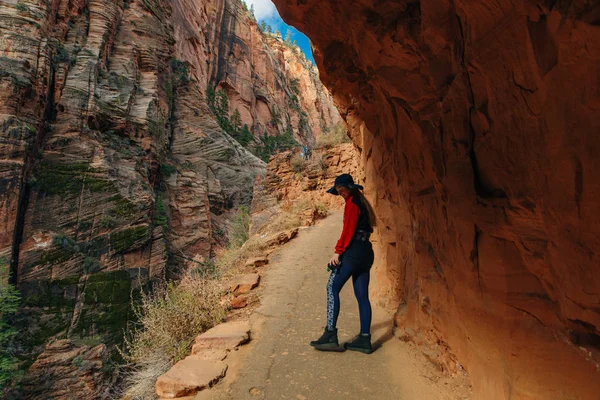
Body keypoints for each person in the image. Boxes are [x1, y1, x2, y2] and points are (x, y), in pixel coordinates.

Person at [310, 173, 376, 354]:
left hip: (353, 253)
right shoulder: (361, 202)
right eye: (338, 191)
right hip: (365, 253)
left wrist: (338, 252)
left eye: (342, 189)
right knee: (362, 296)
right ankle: (364, 339)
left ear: (350, 187)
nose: (341, 193)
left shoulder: (352, 203)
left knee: (332, 287)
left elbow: (348, 230)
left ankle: (330, 334)